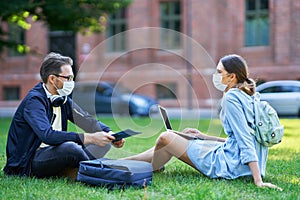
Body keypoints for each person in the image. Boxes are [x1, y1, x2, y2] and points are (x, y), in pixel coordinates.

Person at [123, 54, 282, 190]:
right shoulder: (249, 96)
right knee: (175, 139)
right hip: (239, 160)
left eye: (220, 72)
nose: (216, 75)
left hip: (231, 166)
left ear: (232, 76)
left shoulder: (232, 98)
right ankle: (119, 163)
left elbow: (245, 139)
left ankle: (153, 167)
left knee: (165, 138)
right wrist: (202, 136)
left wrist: (258, 181)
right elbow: (236, 139)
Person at [4, 52, 125, 179]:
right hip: (28, 162)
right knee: (71, 148)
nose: (71, 82)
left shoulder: (62, 99)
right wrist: (90, 138)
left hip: (53, 153)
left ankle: (78, 170)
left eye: (72, 78)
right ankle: (92, 172)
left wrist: (109, 134)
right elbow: (48, 135)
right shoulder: (34, 101)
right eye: (68, 78)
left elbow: (86, 120)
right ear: (52, 79)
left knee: (103, 141)